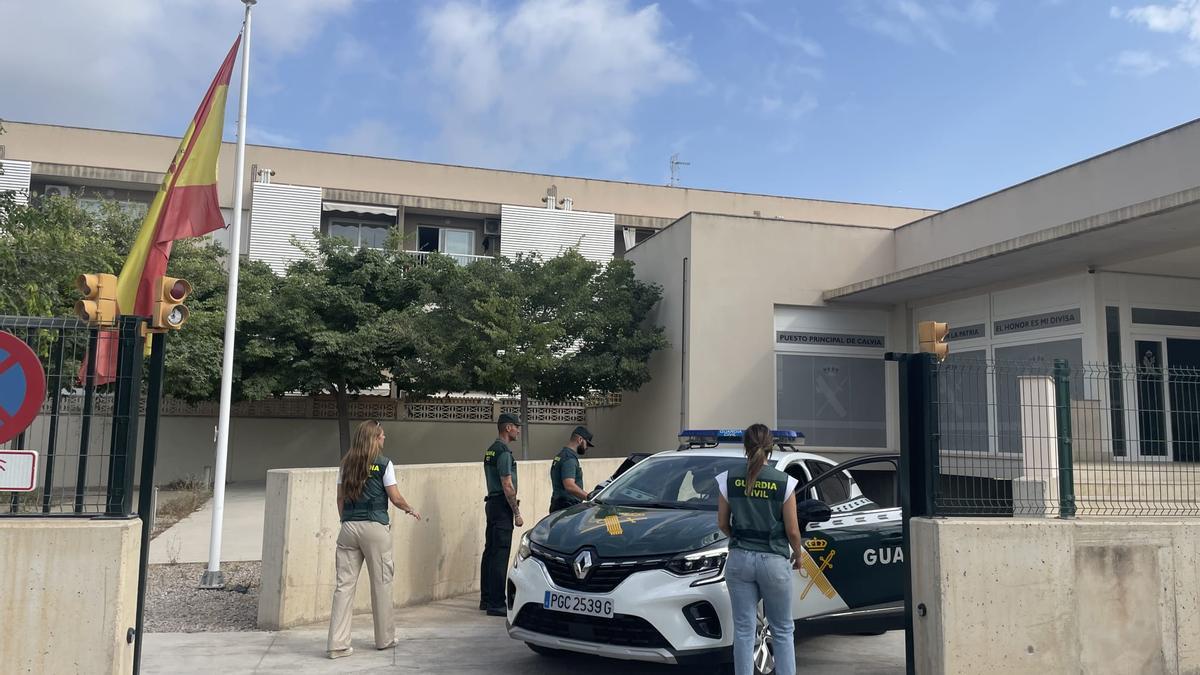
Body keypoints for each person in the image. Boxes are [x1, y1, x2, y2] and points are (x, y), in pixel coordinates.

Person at [327, 420, 420, 660]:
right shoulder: (384, 463)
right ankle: (384, 639)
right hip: (375, 528)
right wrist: (410, 509)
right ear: (373, 439)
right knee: (381, 584)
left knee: (343, 587)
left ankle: (337, 645)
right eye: (381, 436)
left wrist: (346, 520)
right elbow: (395, 497)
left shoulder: (345, 464)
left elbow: (339, 498)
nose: (384, 438)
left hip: (348, 527)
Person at [716, 423, 804, 675]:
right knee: (783, 630)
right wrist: (798, 556)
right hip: (774, 561)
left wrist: (739, 539)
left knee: (744, 630)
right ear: (770, 447)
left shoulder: (727, 479)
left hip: (739, 559)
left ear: (745, 447)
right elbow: (793, 531)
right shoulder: (784, 482)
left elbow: (722, 523)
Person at [480, 412, 523, 616]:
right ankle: (496, 602)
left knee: (490, 551)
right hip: (502, 506)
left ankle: (486, 598)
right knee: (500, 554)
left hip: (492, 504)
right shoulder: (504, 452)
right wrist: (517, 512)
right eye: (516, 426)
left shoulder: (490, 450)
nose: (518, 430)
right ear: (508, 428)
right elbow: (507, 485)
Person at [549, 425, 594, 513]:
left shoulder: (561, 455)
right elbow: (569, 485)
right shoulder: (569, 458)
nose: (587, 448)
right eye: (586, 444)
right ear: (580, 440)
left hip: (558, 504)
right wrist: (589, 497)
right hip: (567, 507)